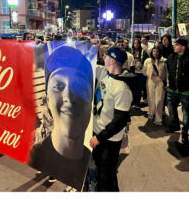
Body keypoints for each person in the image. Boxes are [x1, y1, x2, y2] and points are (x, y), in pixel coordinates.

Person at [28, 45, 94, 191]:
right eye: (58, 87)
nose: (69, 99)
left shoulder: (91, 160)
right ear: (47, 100)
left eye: (78, 87)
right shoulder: (34, 156)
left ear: (91, 102)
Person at [90, 45, 133, 191]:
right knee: (106, 174)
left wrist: (99, 137)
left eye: (106, 56)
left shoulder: (122, 88)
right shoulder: (105, 73)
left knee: (105, 177)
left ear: (113, 60)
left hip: (109, 140)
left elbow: (120, 120)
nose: (104, 57)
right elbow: (85, 62)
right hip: (98, 133)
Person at [166, 38, 189, 144]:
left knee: (186, 113)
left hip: (186, 91)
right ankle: (175, 124)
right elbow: (169, 71)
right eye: (175, 44)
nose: (174, 46)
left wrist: (188, 83)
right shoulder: (171, 57)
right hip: (172, 89)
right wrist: (168, 82)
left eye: (177, 45)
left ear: (183, 47)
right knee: (171, 107)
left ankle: (185, 133)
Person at [143, 47, 168, 126]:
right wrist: (148, 73)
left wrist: (168, 83)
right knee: (151, 99)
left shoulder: (164, 61)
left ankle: (158, 119)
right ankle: (151, 113)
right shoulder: (148, 60)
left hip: (160, 81)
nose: (155, 53)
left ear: (159, 52)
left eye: (157, 51)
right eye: (154, 51)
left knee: (159, 100)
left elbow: (168, 73)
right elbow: (144, 71)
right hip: (151, 80)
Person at [131, 38, 149, 108]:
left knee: (139, 88)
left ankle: (137, 103)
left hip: (141, 73)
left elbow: (147, 61)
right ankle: (133, 102)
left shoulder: (143, 52)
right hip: (133, 72)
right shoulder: (131, 51)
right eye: (134, 43)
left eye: (137, 43)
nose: (136, 44)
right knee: (133, 88)